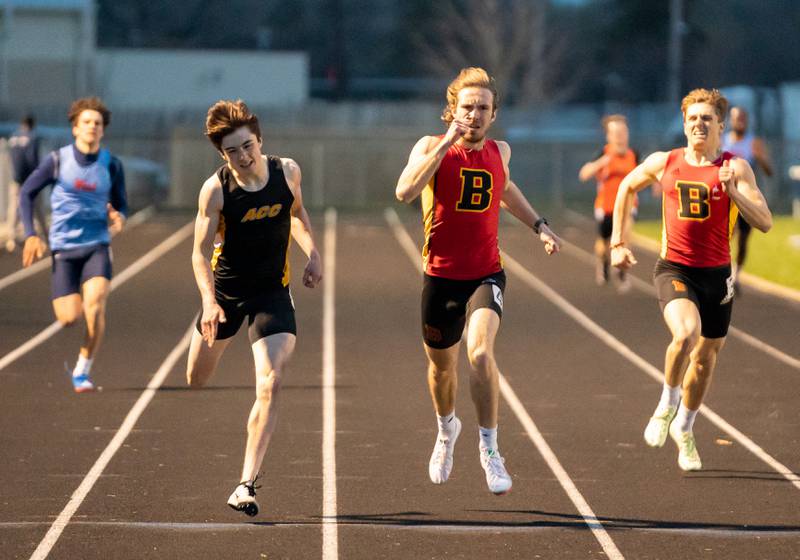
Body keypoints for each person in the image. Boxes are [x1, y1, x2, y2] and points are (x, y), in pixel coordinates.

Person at [395, 67, 561, 495]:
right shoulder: (432, 146)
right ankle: (447, 430)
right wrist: (446, 143)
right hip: (441, 275)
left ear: (494, 113)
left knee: (481, 353)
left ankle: (490, 449)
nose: (474, 114)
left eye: (483, 108)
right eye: (467, 107)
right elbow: (405, 191)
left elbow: (505, 190)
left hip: (486, 271)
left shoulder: (500, 151)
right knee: (441, 370)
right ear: (452, 110)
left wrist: (539, 225)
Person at [610, 88, 772, 471]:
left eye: (706, 119)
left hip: (717, 276)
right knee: (685, 334)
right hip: (675, 269)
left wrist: (733, 191)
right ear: (684, 125)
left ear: (720, 125)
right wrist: (618, 241)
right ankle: (666, 405)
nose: (698, 124)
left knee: (705, 359)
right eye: (692, 118)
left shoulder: (736, 167)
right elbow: (625, 187)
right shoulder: (665, 161)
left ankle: (685, 425)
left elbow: (764, 221)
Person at [186, 99, 322, 516]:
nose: (243, 157)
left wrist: (313, 253)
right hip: (226, 296)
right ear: (222, 155)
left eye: (248, 146)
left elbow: (296, 213)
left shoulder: (288, 172)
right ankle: (213, 331)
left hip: (272, 294)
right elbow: (197, 253)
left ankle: (246, 483)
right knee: (195, 378)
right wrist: (209, 303)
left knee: (271, 381)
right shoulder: (216, 191)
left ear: (260, 140)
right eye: (233, 151)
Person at [19, 97, 127, 393]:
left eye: (97, 123)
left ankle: (83, 369)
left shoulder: (112, 165)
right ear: (75, 129)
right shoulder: (57, 161)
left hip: (97, 246)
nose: (92, 127)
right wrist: (30, 233)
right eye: (87, 122)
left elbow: (121, 204)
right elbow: (27, 192)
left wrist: (119, 217)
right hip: (64, 248)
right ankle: (75, 333)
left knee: (95, 306)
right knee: (69, 318)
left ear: (103, 130)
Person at [578, 114, 639, 291]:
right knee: (604, 245)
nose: (620, 136)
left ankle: (622, 272)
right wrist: (602, 162)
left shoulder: (633, 154)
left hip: (628, 205)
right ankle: (603, 263)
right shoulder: (603, 154)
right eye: (615, 132)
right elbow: (583, 174)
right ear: (609, 136)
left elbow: (647, 172)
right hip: (606, 206)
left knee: (625, 235)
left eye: (623, 132)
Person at [721, 106, 774, 289]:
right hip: (725, 197)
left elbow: (769, 172)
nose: (740, 121)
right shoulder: (722, 142)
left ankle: (737, 274)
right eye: (737, 118)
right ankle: (722, 271)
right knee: (726, 235)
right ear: (731, 120)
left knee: (743, 239)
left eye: (743, 118)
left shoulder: (754, 143)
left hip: (746, 199)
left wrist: (760, 158)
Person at [6, 115, 46, 252]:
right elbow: (32, 159)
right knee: (37, 208)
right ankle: (45, 236)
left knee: (14, 208)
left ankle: (11, 239)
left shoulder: (13, 137)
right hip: (30, 179)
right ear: (32, 125)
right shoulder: (33, 137)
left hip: (16, 179)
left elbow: (11, 157)